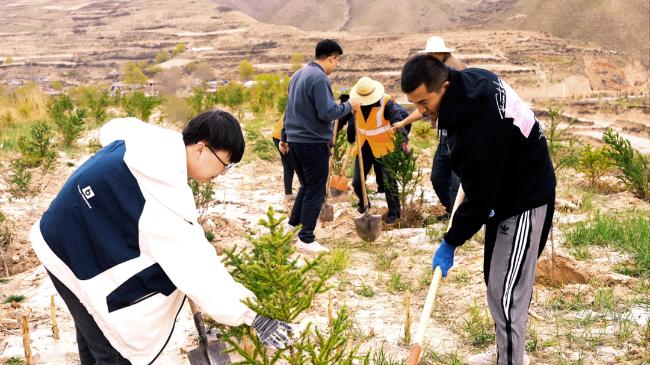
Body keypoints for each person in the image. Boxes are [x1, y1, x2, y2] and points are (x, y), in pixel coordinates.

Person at [30, 110, 292, 365]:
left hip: (57, 236)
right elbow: (198, 270)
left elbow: (109, 128)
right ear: (201, 148)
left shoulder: (146, 140)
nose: (222, 174)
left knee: (93, 330)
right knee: (115, 350)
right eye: (225, 164)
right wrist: (253, 316)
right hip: (71, 254)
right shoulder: (165, 197)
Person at [400, 55, 556, 365]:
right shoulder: (470, 81)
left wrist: (451, 241)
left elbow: (481, 196)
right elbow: (480, 180)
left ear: (443, 86)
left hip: (525, 196)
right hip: (504, 190)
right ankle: (507, 350)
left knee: (506, 293)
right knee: (495, 278)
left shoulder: (478, 125)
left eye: (424, 102)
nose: (421, 111)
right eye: (414, 104)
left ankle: (511, 359)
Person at [279, 39, 360, 253]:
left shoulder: (298, 74)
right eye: (337, 60)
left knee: (306, 186)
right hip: (312, 142)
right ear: (332, 57)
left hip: (295, 142)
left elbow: (289, 108)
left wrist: (284, 136)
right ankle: (306, 238)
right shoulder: (318, 78)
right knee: (315, 190)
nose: (337, 65)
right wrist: (349, 106)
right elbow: (327, 113)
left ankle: (292, 227)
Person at [393, 36, 465, 218]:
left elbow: (429, 109)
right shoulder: (438, 71)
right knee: (439, 177)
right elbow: (425, 109)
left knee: (458, 179)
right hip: (445, 133)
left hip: (458, 133)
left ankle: (458, 217)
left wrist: (403, 122)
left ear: (443, 53)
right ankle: (452, 211)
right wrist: (403, 123)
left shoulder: (452, 72)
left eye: (434, 53)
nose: (431, 56)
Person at [339, 77, 410, 224]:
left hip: (385, 146)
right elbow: (341, 119)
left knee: (389, 181)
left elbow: (399, 122)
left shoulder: (387, 103)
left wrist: (403, 141)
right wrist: (331, 134)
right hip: (364, 146)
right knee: (357, 181)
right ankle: (364, 204)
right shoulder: (353, 103)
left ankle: (394, 214)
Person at [272, 113, 300, 201]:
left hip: (278, 135)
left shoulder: (297, 100)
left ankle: (288, 194)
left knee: (288, 166)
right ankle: (307, 191)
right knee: (297, 165)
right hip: (285, 136)